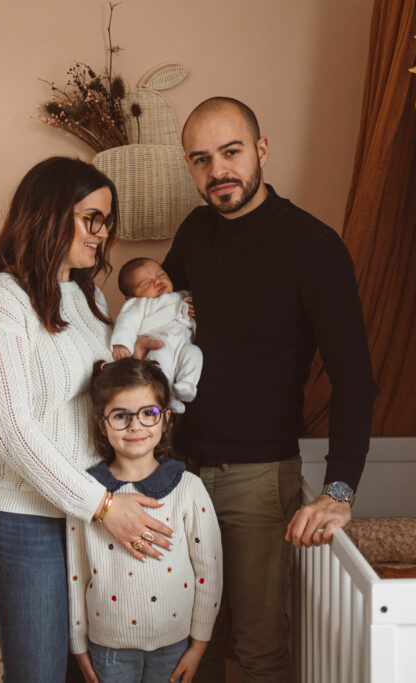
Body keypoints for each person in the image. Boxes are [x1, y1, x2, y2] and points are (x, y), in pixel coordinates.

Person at [157, 97, 378, 681]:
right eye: (200, 159)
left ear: (261, 150)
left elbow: (354, 377)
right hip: (178, 471)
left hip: (258, 480)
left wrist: (339, 489)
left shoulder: (314, 247)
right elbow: (163, 326)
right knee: (189, 641)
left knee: (256, 648)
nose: (217, 171)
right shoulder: (195, 232)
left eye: (230, 152)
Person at [0, 157, 177, 682]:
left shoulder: (88, 297)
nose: (102, 236)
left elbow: (94, 399)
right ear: (49, 214)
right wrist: (103, 506)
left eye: (105, 221)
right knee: (38, 672)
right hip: (26, 518)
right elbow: (13, 433)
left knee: (93, 670)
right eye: (91, 219)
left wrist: (135, 364)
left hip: (92, 510)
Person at [67, 358, 222, 683]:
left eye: (147, 414)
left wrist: (198, 646)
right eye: (121, 416)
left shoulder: (188, 489)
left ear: (165, 420)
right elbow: (75, 576)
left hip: (175, 643)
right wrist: (78, 645)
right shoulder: (86, 495)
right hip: (108, 646)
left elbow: (209, 572)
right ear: (102, 423)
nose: (135, 426)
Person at [111, 258, 203, 412]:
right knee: (162, 357)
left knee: (195, 354)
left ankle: (187, 385)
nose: (157, 282)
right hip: (157, 343)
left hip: (183, 346)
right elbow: (127, 321)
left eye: (161, 275)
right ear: (132, 297)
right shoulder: (139, 304)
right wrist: (122, 343)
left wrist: (195, 310)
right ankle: (167, 396)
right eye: (146, 283)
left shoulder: (183, 296)